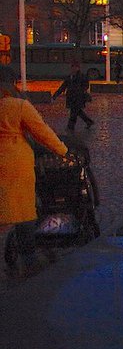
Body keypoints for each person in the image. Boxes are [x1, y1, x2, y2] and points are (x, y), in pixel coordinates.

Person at [1, 65, 69, 274]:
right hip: (15, 162)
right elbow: (42, 132)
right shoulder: (18, 105)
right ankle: (28, 256)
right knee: (24, 211)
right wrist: (63, 150)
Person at [53, 61, 95, 129]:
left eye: (75, 67)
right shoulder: (70, 77)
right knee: (77, 111)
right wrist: (56, 94)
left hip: (78, 97)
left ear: (78, 68)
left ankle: (71, 126)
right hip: (71, 97)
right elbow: (63, 86)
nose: (73, 69)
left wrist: (80, 91)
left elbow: (86, 85)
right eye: (72, 67)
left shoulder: (82, 76)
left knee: (74, 112)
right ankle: (88, 121)